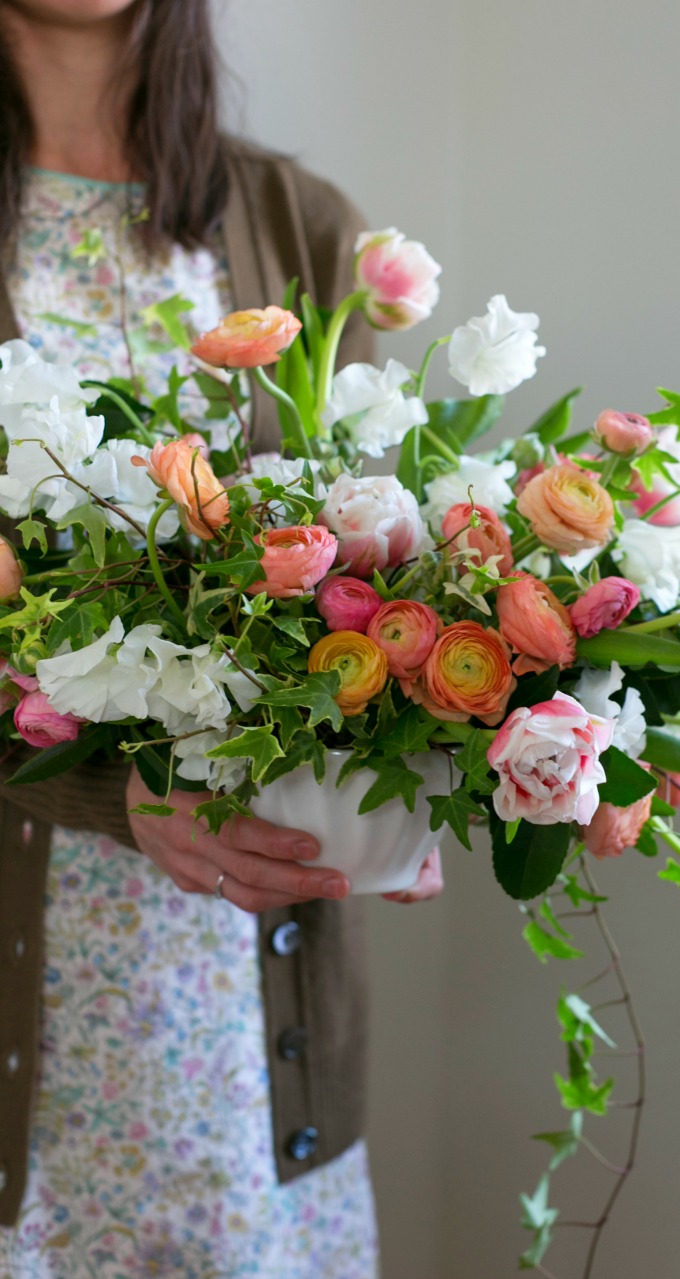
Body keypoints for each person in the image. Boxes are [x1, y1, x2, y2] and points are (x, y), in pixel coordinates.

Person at [0, 2, 443, 1275]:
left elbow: (376, 573)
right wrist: (112, 787)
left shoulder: (297, 221)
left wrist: (437, 760)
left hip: (249, 1060)